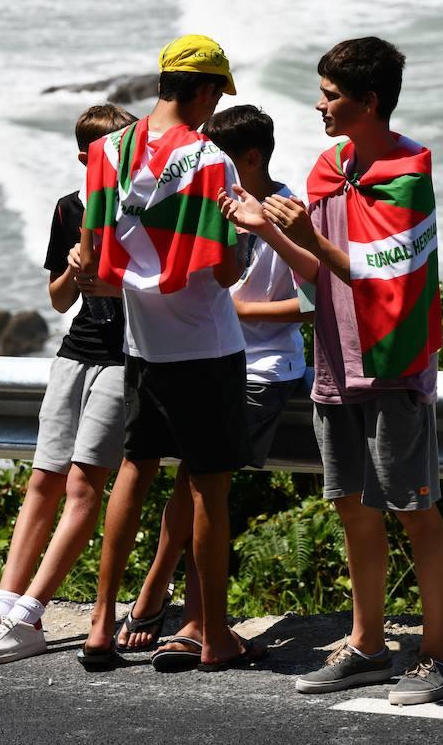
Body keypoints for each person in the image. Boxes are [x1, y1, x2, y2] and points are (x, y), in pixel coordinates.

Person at [220, 37, 443, 706]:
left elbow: (382, 273)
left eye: (330, 95)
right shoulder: (329, 169)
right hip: (335, 366)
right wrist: (266, 228)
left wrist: (309, 234)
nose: (319, 105)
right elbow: (318, 276)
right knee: (351, 507)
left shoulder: (408, 175)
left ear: (369, 101)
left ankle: (438, 659)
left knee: (415, 512)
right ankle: (368, 647)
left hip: (393, 370)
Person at [77, 35, 269, 672]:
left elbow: (98, 264)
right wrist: (243, 232)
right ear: (206, 89)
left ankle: (102, 625)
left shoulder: (106, 151)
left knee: (133, 472)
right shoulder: (210, 160)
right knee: (210, 490)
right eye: (217, 93)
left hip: (142, 345)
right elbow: (223, 274)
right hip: (207, 347)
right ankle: (214, 635)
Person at [116, 103, 313, 670]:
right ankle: (183, 614)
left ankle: (179, 612)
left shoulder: (285, 209)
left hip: (259, 370)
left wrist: (243, 308)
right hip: (204, 360)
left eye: (221, 159)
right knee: (199, 483)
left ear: (250, 158)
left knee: (202, 486)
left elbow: (315, 300)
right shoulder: (207, 200)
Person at [0, 102, 136, 667]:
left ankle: (28, 616)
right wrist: (76, 268)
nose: (127, 157)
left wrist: (111, 272)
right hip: (76, 351)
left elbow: (163, 290)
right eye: (115, 150)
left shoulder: (147, 210)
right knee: (42, 482)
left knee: (82, 487)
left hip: (126, 360)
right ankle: (3, 606)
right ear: (86, 157)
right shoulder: (70, 209)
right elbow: (57, 299)